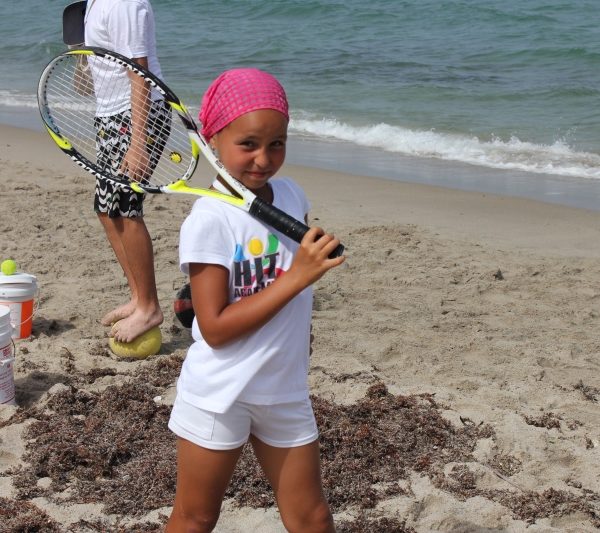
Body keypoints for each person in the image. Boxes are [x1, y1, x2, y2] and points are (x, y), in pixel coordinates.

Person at [166, 68, 345, 533]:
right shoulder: (209, 220)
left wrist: (300, 331)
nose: (263, 159)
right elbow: (217, 329)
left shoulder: (290, 195)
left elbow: (289, 287)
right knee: (197, 517)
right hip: (221, 395)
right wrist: (299, 276)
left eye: (277, 144)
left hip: (282, 388)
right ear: (212, 139)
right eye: (248, 144)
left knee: (312, 518)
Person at [84, 0, 165, 342]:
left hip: (134, 120)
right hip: (111, 116)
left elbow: (139, 71)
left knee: (126, 209)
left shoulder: (123, 3)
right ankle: (137, 296)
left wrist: (137, 142)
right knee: (105, 209)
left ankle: (149, 307)